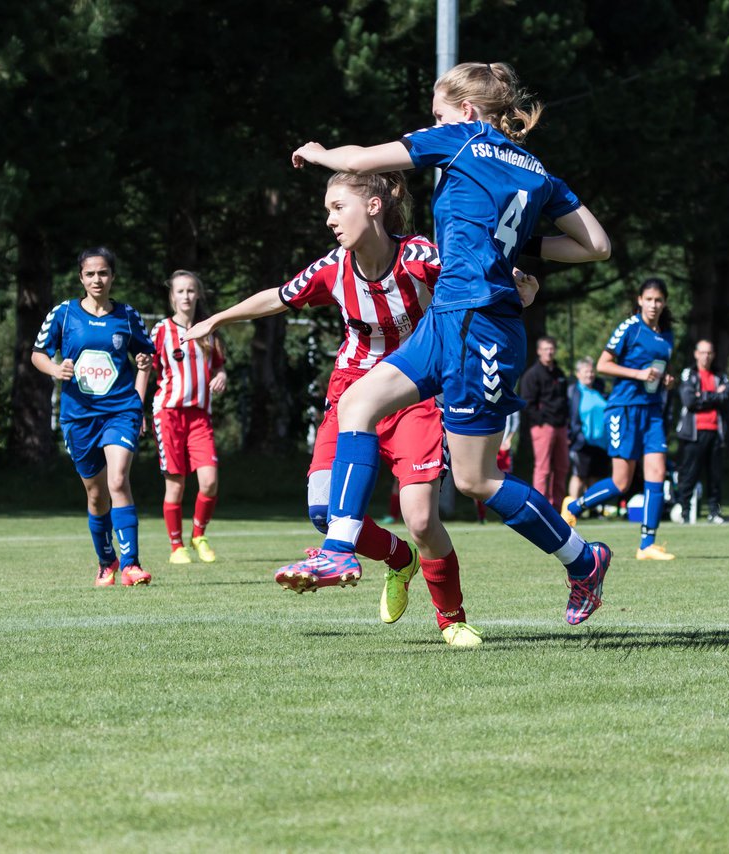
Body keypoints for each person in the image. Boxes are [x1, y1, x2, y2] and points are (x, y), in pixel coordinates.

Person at [278, 61, 614, 628]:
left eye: (436, 114)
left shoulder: (462, 137)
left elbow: (360, 161)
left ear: (465, 111)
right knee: (359, 404)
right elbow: (596, 245)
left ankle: (584, 558)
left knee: (475, 479)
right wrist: (517, 244)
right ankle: (337, 550)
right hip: (447, 317)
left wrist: (320, 153)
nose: (430, 124)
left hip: (482, 324)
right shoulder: (537, 172)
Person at [186, 171, 481, 646]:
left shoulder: (420, 255)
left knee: (423, 520)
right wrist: (218, 317)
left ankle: (452, 618)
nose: (329, 220)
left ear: (374, 207)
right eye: (327, 210)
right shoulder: (333, 267)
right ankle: (399, 561)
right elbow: (278, 296)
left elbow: (473, 272)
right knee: (324, 510)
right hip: (351, 394)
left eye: (337, 208)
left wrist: (516, 280)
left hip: (415, 393)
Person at [31, 247, 155, 587]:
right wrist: (56, 369)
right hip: (79, 416)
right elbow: (37, 354)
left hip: (121, 411)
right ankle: (106, 561)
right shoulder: (64, 314)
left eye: (103, 273)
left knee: (118, 481)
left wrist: (140, 392)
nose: (97, 279)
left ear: (113, 277)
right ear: (81, 278)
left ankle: (131, 564)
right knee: (97, 494)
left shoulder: (127, 316)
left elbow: (145, 357)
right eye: (90, 274)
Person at [561, 278, 677, 560]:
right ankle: (573, 508)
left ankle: (646, 545)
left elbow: (657, 369)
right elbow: (603, 364)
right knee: (621, 483)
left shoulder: (668, 334)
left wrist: (665, 380)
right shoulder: (630, 327)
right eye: (648, 299)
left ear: (664, 303)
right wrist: (639, 374)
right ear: (639, 300)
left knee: (657, 475)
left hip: (651, 411)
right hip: (624, 409)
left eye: (658, 300)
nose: (653, 305)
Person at [148, 270, 227, 564]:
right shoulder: (160, 332)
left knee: (209, 481)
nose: (186, 296)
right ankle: (176, 546)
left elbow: (219, 367)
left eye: (191, 291)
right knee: (176, 484)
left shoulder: (209, 330)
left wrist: (221, 376)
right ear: (172, 297)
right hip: (168, 413)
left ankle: (199, 535)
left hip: (200, 417)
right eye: (180, 291)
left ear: (198, 295)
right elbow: (147, 367)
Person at [674, 339, 729, 524]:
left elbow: (727, 396)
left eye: (709, 353)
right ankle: (684, 511)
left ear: (713, 355)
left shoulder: (719, 375)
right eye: (703, 352)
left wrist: (703, 396)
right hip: (693, 433)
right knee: (689, 474)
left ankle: (715, 512)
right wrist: (714, 395)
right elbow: (689, 400)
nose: (706, 356)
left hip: (715, 431)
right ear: (696, 354)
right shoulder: (689, 374)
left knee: (715, 476)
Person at [519, 335, 569, 507]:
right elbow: (527, 403)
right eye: (545, 349)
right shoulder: (532, 375)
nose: (549, 352)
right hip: (543, 427)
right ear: (539, 351)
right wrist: (541, 422)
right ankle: (541, 509)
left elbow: (565, 400)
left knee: (562, 468)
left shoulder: (559, 373)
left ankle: (557, 510)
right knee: (543, 469)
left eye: (551, 348)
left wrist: (565, 423)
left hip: (561, 426)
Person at [566, 356, 610, 505]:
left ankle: (592, 508)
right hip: (581, 440)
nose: (589, 375)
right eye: (586, 371)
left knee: (595, 478)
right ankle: (571, 507)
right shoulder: (573, 391)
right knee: (579, 475)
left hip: (601, 442)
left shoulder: (600, 390)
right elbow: (567, 414)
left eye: (591, 371)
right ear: (578, 374)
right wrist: (570, 434)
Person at [475, 411, 519, 523]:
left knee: (505, 480)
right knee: (478, 480)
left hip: (503, 447)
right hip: (485, 445)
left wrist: (509, 440)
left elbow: (515, 420)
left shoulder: (508, 396)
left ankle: (506, 514)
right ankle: (481, 515)